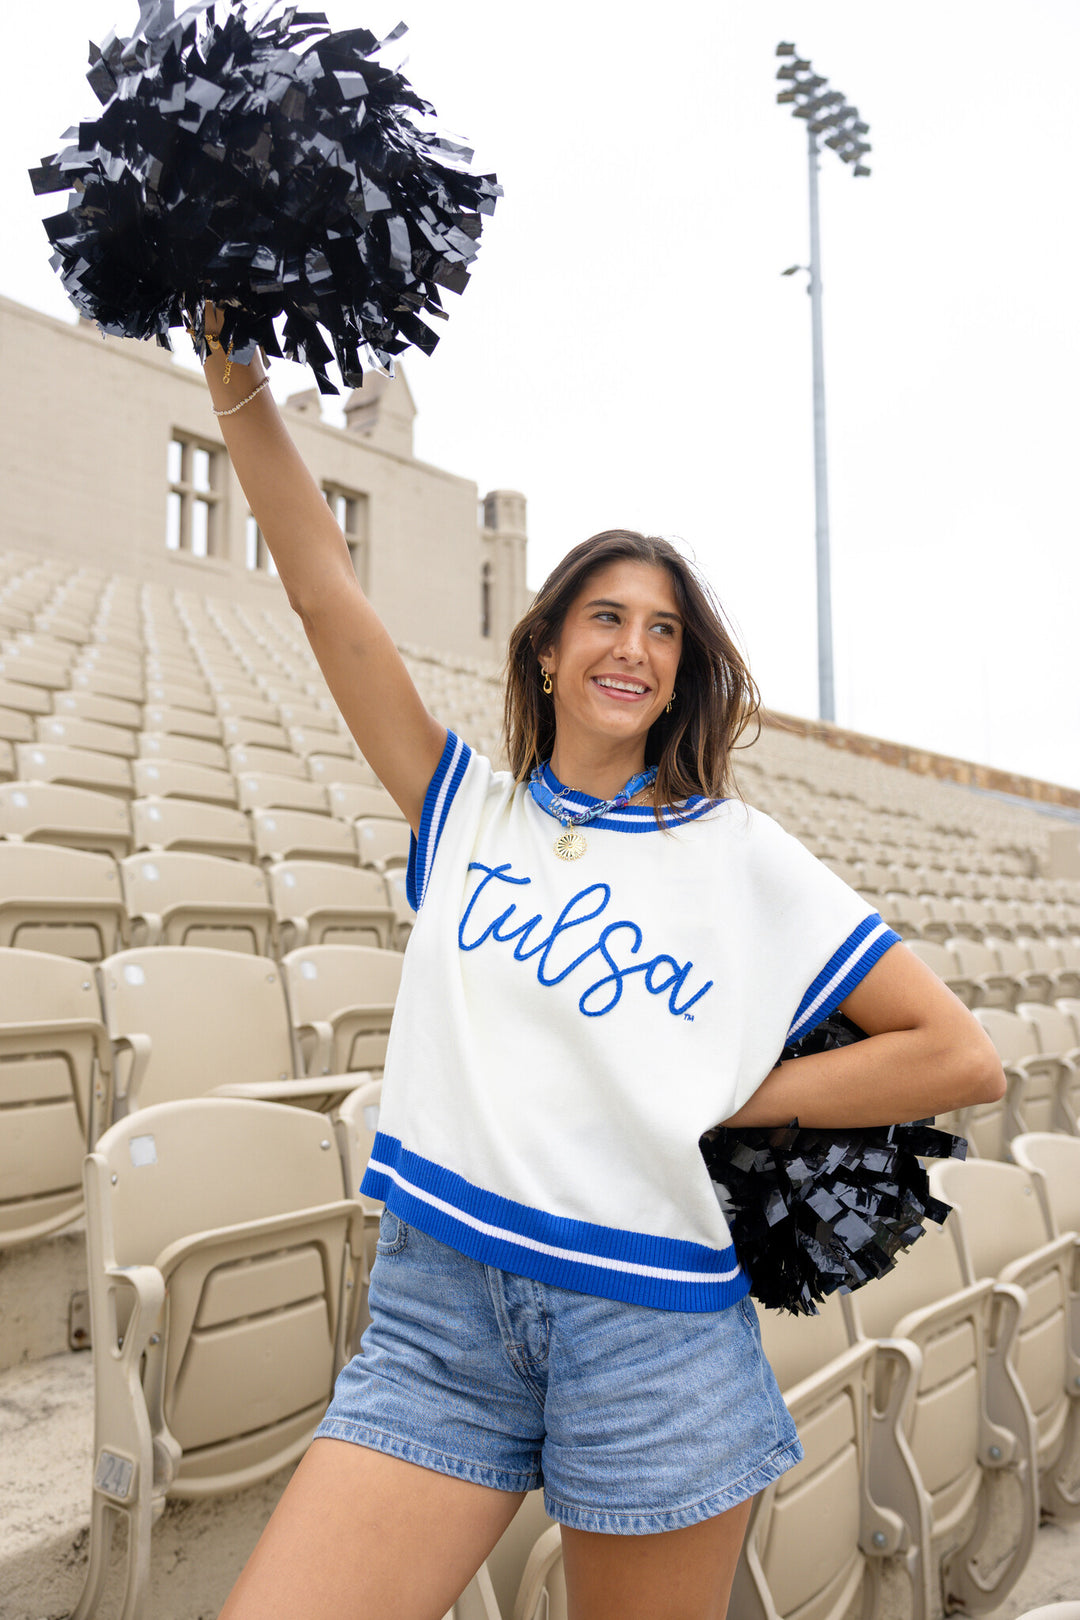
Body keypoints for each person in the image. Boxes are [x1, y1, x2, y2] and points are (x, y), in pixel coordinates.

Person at [203, 323, 1006, 1620]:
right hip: (439, 1318)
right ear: (546, 648)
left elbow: (957, 1054)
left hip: (653, 1339)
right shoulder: (464, 807)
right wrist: (228, 363)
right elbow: (320, 590)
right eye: (605, 617)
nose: (634, 646)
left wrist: (727, 1099)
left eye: (665, 632)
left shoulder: (746, 857)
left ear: (682, 671)